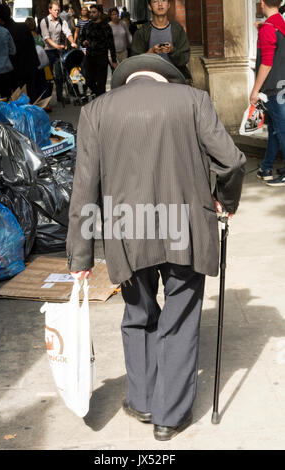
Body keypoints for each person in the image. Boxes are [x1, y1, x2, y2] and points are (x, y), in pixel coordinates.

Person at [66, 53, 246, 441]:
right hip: (185, 227)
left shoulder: (95, 111)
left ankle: (144, 399)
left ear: (128, 81)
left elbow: (84, 190)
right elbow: (231, 162)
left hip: (127, 232)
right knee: (179, 318)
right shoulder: (193, 100)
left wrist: (79, 256)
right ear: (166, 79)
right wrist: (225, 201)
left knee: (138, 313)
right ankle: (168, 416)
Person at [251, 0, 285, 187]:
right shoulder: (279, 23)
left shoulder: (268, 29)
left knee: (282, 131)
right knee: (273, 130)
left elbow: (267, 63)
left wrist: (255, 91)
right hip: (282, 85)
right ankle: (266, 168)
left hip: (273, 89)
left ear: (262, 2)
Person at [131, 0, 191, 82]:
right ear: (149, 7)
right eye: (155, 1)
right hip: (151, 82)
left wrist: (172, 51)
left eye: (163, 0)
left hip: (175, 83)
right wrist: (151, 52)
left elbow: (185, 59)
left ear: (168, 5)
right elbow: (134, 63)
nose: (160, 4)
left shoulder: (177, 29)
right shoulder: (142, 32)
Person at [0, 3, 39, 103]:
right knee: (31, 96)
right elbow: (32, 48)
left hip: (15, 72)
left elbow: (10, 53)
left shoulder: (3, 32)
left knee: (19, 101)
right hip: (29, 68)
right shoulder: (23, 27)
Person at [40, 1, 77, 103]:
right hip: (47, 52)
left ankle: (60, 96)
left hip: (57, 52)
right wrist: (57, 46)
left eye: (58, 10)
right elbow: (46, 38)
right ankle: (46, 99)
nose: (57, 12)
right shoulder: (44, 21)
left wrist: (72, 42)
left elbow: (67, 32)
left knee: (59, 74)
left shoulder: (61, 21)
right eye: (55, 10)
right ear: (50, 10)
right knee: (48, 78)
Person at [80, 4, 117, 97]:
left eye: (94, 12)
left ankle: (100, 102)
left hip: (101, 57)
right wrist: (83, 42)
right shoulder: (87, 26)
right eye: (90, 12)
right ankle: (99, 96)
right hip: (89, 57)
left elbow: (111, 44)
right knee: (89, 81)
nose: (91, 14)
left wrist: (114, 60)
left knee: (101, 83)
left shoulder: (106, 26)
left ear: (99, 13)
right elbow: (81, 39)